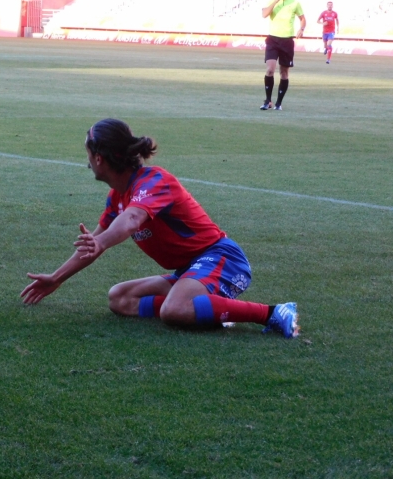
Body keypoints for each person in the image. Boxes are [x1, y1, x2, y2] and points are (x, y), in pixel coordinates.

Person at [21, 118, 299, 338]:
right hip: (188, 271)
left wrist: (102, 242)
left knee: (173, 310)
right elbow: (93, 245)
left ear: (99, 159)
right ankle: (205, 311)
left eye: (88, 153)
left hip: (222, 259)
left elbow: (130, 221)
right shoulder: (117, 198)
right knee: (119, 298)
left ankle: (274, 313)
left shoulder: (154, 181)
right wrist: (57, 278)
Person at [260, 0, 306, 111]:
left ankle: (279, 103)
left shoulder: (295, 3)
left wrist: (301, 29)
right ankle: (268, 100)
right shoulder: (273, 0)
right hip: (273, 39)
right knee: (270, 69)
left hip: (287, 40)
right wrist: (275, 1)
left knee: (284, 73)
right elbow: (264, 14)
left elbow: (303, 19)